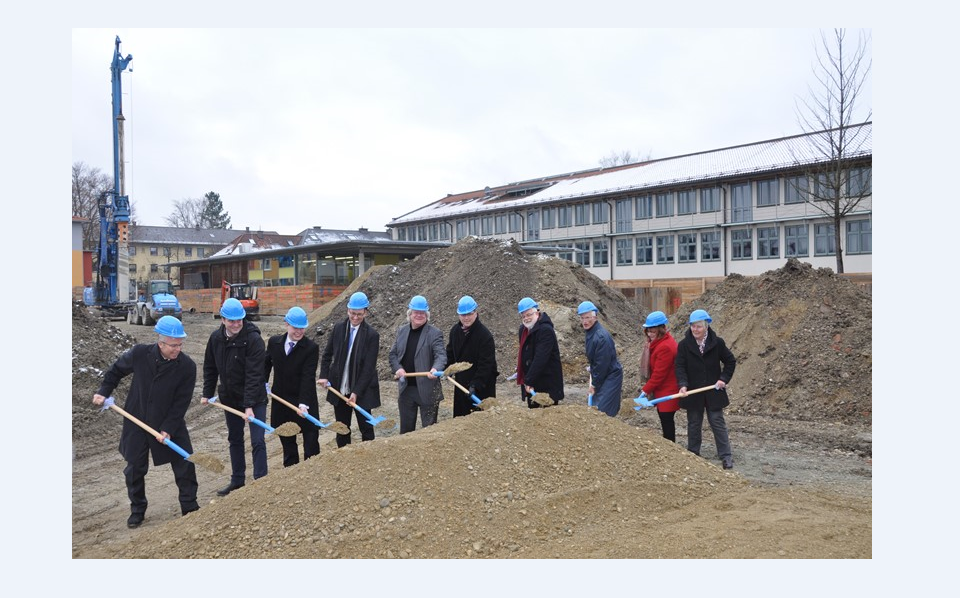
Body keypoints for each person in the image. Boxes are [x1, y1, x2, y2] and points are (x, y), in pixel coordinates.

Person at [92, 316, 199, 529]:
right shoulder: (140, 354)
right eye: (173, 345)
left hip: (169, 421)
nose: (177, 349)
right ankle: (137, 510)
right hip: (137, 420)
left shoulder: (187, 366)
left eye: (180, 344)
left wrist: (168, 429)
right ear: (160, 343)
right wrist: (103, 392)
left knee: (184, 463)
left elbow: (181, 403)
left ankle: (190, 505)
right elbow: (116, 371)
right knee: (134, 468)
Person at [201, 297, 268, 495]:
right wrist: (207, 393)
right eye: (232, 320)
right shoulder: (215, 338)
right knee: (235, 439)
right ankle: (238, 480)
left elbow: (255, 374)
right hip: (230, 398)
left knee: (257, 440)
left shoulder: (254, 339)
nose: (237, 324)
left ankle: (261, 482)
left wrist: (249, 406)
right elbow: (210, 367)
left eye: (240, 320)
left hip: (254, 398)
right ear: (223, 319)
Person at [675, 309, 737, 469]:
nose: (695, 330)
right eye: (693, 326)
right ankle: (693, 453)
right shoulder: (683, 345)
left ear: (706, 327)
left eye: (699, 327)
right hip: (693, 392)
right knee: (694, 423)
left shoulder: (717, 343)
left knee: (717, 421)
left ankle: (726, 455)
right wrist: (682, 384)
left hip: (713, 391)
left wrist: (723, 379)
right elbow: (680, 366)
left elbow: (730, 362)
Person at [318, 291, 381, 448]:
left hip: (362, 390)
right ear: (348, 310)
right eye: (353, 313)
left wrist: (356, 392)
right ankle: (343, 459)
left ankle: (368, 459)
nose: (355, 317)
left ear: (365, 312)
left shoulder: (372, 335)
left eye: (359, 314)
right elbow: (327, 355)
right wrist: (324, 375)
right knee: (342, 429)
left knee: (366, 428)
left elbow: (368, 368)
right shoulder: (339, 328)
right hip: (340, 388)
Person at [265, 306, 320, 467]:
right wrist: (263, 383)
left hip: (304, 402)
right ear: (286, 324)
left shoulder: (311, 348)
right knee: (288, 445)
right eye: (296, 328)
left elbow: (307, 378)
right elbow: (265, 365)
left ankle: (312, 473)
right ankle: (290, 474)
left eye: (302, 328)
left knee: (311, 443)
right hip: (281, 402)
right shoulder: (274, 343)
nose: (299, 332)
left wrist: (303, 404)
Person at [388, 294, 446, 433]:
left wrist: (435, 368)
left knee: (429, 432)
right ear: (410, 313)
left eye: (422, 313)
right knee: (406, 432)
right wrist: (398, 368)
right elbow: (393, 354)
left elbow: (441, 355)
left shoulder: (435, 333)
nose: (419, 315)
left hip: (428, 389)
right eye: (416, 312)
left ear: (427, 314)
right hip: (406, 389)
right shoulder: (402, 331)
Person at [445, 295, 498, 417]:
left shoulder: (485, 336)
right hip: (461, 384)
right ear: (459, 315)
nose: (466, 317)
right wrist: (444, 369)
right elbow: (450, 354)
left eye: (469, 314)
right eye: (463, 315)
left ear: (476, 312)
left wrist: (475, 385)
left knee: (480, 422)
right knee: (461, 419)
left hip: (482, 386)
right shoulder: (455, 331)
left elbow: (486, 365)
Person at [638, 311, 681, 441]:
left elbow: (658, 375)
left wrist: (645, 390)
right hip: (662, 389)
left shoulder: (665, 347)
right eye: (648, 331)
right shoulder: (658, 343)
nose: (650, 334)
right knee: (664, 419)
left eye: (653, 331)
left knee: (666, 419)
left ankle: (670, 447)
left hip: (668, 389)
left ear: (661, 329)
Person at [516, 297, 564, 407]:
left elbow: (541, 358)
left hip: (547, 384)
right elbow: (525, 353)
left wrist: (528, 380)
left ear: (537, 312)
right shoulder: (523, 330)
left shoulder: (546, 330)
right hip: (533, 383)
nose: (526, 318)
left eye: (529, 314)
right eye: (523, 316)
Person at [577, 301, 622, 417]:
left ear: (595, 317)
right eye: (582, 318)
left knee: (603, 411)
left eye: (587, 318)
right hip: (602, 374)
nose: (585, 321)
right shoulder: (590, 332)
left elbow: (602, 364)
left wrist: (594, 385)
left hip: (610, 375)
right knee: (597, 408)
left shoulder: (601, 337)